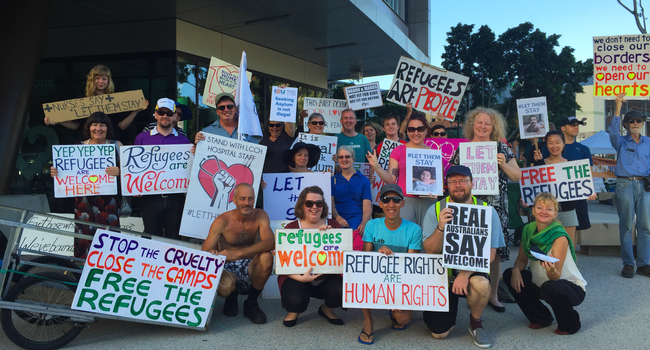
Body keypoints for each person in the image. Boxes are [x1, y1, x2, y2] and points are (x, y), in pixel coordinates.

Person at [421, 165, 505, 348]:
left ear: (472, 183)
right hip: (441, 272)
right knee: (439, 334)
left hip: (471, 269)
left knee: (482, 285)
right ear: (447, 186)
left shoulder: (487, 211)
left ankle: (476, 322)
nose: (458, 185)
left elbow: (490, 255)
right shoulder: (435, 210)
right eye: (452, 182)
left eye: (462, 181)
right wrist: (441, 227)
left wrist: (465, 274)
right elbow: (429, 249)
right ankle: (435, 310)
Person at [450, 107, 521, 312]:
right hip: (468, 205)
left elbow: (517, 176)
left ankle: (493, 294)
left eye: (487, 123)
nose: (482, 126)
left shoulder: (502, 148)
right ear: (472, 125)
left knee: (495, 252)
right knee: (468, 247)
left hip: (496, 207)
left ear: (493, 127)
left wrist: (503, 165)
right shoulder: (462, 150)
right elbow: (452, 177)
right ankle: (470, 287)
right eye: (479, 122)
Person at [504, 193, 587, 335]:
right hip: (541, 283)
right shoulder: (528, 230)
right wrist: (516, 270)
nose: (544, 212)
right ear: (533, 211)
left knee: (551, 286)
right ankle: (541, 317)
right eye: (540, 207)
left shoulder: (559, 236)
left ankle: (570, 324)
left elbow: (555, 276)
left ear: (555, 213)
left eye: (549, 209)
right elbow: (522, 260)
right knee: (509, 274)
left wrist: (551, 269)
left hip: (567, 286)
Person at [50, 112, 122, 258]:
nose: (98, 128)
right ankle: (82, 272)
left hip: (108, 199)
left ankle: (108, 270)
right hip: (83, 200)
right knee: (84, 237)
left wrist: (120, 170)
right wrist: (56, 171)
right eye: (94, 125)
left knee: (109, 237)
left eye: (102, 125)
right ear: (88, 128)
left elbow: (131, 170)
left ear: (108, 128)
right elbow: (67, 169)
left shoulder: (116, 145)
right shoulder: (78, 147)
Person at [358, 184, 422, 345]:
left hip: (400, 279)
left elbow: (410, 266)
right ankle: (368, 321)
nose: (391, 204)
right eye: (386, 200)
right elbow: (365, 260)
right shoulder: (372, 225)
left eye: (396, 199)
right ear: (380, 204)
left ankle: (392, 309)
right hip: (376, 275)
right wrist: (377, 255)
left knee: (403, 319)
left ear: (402, 203)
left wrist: (396, 292)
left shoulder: (414, 230)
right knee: (359, 279)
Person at [202, 183, 274, 324]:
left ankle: (251, 303)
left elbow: (271, 242)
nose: (246, 203)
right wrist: (213, 253)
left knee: (267, 256)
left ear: (254, 199)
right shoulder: (222, 221)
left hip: (249, 265)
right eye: (242, 199)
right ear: (234, 200)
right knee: (225, 288)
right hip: (228, 267)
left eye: (250, 199)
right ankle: (231, 298)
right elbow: (203, 253)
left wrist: (237, 254)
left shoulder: (260, 215)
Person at [278, 186, 344, 327]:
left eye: (319, 203)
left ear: (323, 205)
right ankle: (294, 311)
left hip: (327, 278)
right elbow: (283, 262)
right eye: (309, 203)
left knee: (342, 289)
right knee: (295, 300)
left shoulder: (334, 225)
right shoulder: (291, 228)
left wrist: (332, 238)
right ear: (302, 205)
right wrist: (301, 278)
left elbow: (343, 259)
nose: (314, 207)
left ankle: (327, 309)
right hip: (298, 277)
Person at [133, 98, 191, 240]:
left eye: (169, 113)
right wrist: (135, 186)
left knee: (174, 238)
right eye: (161, 112)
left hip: (175, 197)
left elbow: (188, 167)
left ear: (174, 116)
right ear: (156, 114)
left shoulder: (184, 141)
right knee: (151, 236)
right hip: (150, 197)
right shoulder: (142, 138)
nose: (165, 116)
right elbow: (134, 166)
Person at [45, 64, 148, 141]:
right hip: (86, 144)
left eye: (104, 78)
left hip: (110, 143)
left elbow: (121, 126)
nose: (100, 81)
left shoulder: (116, 100)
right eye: (97, 78)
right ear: (92, 80)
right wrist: (57, 119)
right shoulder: (82, 100)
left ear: (108, 81)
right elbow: (75, 125)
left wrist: (135, 112)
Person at [531, 130, 597, 248]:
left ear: (563, 144)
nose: (554, 146)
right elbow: (532, 187)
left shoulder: (572, 165)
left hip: (568, 210)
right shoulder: (539, 165)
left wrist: (589, 192)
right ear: (546, 145)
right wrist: (527, 199)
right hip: (545, 212)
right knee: (545, 246)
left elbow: (581, 185)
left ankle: (570, 267)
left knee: (569, 247)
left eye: (558, 142)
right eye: (550, 143)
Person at [368, 114, 435, 227]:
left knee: (427, 237)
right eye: (411, 129)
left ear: (425, 131)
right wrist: (376, 166)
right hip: (406, 200)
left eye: (420, 129)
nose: (416, 133)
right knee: (406, 237)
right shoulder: (398, 151)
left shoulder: (434, 152)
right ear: (407, 132)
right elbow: (391, 179)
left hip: (428, 200)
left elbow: (438, 179)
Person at [610, 92, 650, 278]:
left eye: (639, 120)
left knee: (646, 226)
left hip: (645, 186)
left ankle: (643, 264)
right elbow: (612, 132)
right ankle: (628, 263)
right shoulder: (620, 141)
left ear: (642, 123)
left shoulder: (649, 142)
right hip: (625, 184)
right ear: (626, 124)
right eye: (632, 120)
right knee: (626, 225)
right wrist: (617, 106)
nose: (635, 123)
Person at [542, 116, 593, 232]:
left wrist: (588, 189)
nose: (576, 128)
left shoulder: (584, 149)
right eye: (573, 125)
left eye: (577, 125)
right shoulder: (548, 149)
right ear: (563, 128)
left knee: (575, 228)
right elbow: (541, 169)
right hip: (553, 196)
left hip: (577, 195)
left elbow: (588, 173)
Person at [331, 146, 372, 233]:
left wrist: (364, 223)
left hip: (358, 221)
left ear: (353, 159)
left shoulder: (364, 180)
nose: (344, 159)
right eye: (341, 157)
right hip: (337, 221)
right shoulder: (332, 180)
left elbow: (367, 206)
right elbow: (331, 204)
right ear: (337, 160)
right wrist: (338, 218)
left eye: (347, 156)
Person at [195, 92, 262, 144]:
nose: (226, 110)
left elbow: (256, 158)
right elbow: (202, 157)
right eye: (222, 107)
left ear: (235, 109)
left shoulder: (248, 130)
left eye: (230, 106)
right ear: (217, 111)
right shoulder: (206, 133)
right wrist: (197, 147)